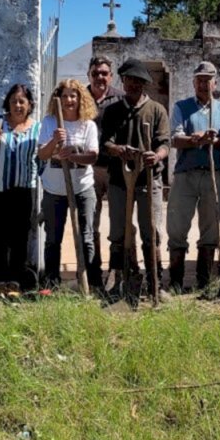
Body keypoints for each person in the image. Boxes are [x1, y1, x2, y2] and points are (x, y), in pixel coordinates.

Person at [99, 58, 170, 300]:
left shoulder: (157, 110)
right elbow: (104, 143)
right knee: (119, 232)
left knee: (151, 232)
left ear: (144, 84)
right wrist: (117, 149)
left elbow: (165, 144)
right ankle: (120, 277)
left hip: (149, 182)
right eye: (129, 80)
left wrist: (156, 156)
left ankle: (155, 283)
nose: (133, 85)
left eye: (138, 81)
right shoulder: (112, 111)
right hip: (120, 181)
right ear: (123, 81)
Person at [166, 61, 220, 292]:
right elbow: (174, 139)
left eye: (208, 79)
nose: (204, 84)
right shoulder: (181, 107)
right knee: (176, 227)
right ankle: (175, 282)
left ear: (215, 82)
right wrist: (196, 139)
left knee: (211, 227)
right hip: (185, 174)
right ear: (194, 82)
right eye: (200, 80)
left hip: (215, 174)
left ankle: (204, 283)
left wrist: (215, 140)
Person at [0, 83, 40, 294]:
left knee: (20, 235)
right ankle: (0, 279)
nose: (18, 105)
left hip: (24, 189)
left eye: (22, 101)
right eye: (14, 101)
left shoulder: (37, 128)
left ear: (29, 104)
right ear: (8, 103)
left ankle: (16, 280)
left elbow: (42, 159)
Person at [37, 79, 99, 289]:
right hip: (54, 190)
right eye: (65, 96)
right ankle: (51, 284)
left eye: (73, 95)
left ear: (80, 98)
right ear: (58, 99)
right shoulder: (49, 122)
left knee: (86, 237)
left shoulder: (88, 124)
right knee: (53, 239)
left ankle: (87, 284)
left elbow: (92, 156)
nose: (69, 100)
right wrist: (55, 141)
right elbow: (42, 154)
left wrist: (73, 156)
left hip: (82, 188)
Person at [86, 55, 124, 288]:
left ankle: (115, 271)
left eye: (104, 73)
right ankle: (93, 272)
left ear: (111, 76)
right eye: (95, 72)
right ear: (89, 74)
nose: (100, 77)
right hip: (89, 168)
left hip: (115, 167)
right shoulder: (81, 97)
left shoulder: (119, 98)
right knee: (92, 222)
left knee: (118, 221)